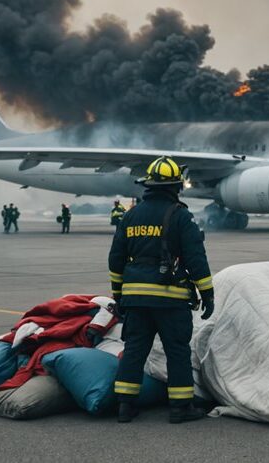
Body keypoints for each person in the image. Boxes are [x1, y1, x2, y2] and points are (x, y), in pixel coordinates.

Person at [109, 157, 213, 424]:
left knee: (134, 350)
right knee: (177, 352)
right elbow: (195, 258)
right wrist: (207, 293)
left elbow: (115, 258)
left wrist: (118, 294)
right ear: (176, 186)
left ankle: (125, 406)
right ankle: (180, 408)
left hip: (135, 299)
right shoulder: (180, 215)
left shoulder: (131, 215)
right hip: (170, 300)